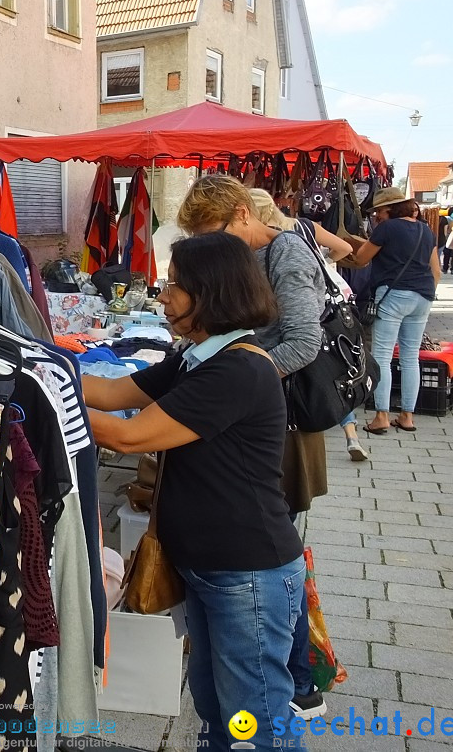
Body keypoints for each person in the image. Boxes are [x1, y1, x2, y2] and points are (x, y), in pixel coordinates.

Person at [84, 232, 305, 751]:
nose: (163, 297)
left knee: (254, 719)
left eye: (173, 287)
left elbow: (127, 432)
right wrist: (36, 365)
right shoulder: (195, 359)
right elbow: (115, 392)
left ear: (208, 294)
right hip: (211, 567)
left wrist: (41, 405)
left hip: (246, 570)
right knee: (213, 705)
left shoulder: (238, 369)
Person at [179, 174, 327, 719]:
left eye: (213, 232)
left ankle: (297, 678)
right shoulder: (252, 256)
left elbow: (304, 342)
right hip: (257, 409)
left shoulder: (285, 253)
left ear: (242, 215)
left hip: (279, 419)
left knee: (271, 542)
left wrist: (240, 378)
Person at [248, 190, 367, 462]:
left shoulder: (283, 244)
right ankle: (351, 434)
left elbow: (302, 342)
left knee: (317, 363)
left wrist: (313, 268)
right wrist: (325, 261)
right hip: (320, 299)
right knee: (329, 371)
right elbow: (345, 248)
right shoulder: (303, 226)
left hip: (307, 307)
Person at [347, 187, 440, 432]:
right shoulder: (426, 230)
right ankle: (407, 416)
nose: (377, 215)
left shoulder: (387, 228)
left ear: (390, 209)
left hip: (393, 295)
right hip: (423, 296)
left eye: (379, 210)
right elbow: (436, 271)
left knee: (383, 357)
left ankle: (382, 417)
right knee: (410, 358)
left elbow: (361, 259)